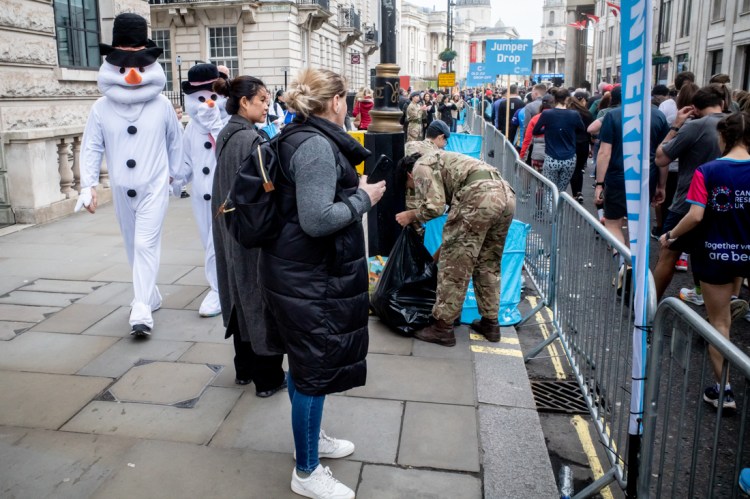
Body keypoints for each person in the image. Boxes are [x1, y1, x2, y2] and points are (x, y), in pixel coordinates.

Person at [259, 68, 386, 499]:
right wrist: (362, 199)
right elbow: (316, 221)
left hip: (297, 270)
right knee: (313, 371)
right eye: (346, 98)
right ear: (334, 102)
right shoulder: (314, 146)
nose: (348, 105)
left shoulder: (298, 134)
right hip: (311, 277)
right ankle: (307, 471)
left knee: (306, 363)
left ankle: (313, 439)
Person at [78, 13, 183, 337]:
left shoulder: (163, 105)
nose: (134, 75)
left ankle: (140, 310)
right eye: (125, 66)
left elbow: (175, 140)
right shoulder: (101, 108)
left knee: (144, 243)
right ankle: (150, 294)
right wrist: (88, 185)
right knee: (131, 246)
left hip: (154, 185)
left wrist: (176, 177)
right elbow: (91, 147)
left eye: (140, 64)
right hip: (123, 190)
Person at [659, 112, 750, 410]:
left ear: (724, 137)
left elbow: (695, 215)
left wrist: (670, 235)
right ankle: (737, 295)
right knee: (729, 309)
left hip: (716, 253)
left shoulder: (707, 171)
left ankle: (723, 391)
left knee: (719, 323)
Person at [211, 75, 288, 398]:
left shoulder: (228, 134)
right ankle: (268, 378)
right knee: (259, 299)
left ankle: (244, 369)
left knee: (239, 294)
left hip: (229, 229)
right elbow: (266, 189)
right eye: (262, 100)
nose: (267, 105)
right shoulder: (251, 140)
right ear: (244, 102)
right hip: (250, 231)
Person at [394, 150, 516, 346]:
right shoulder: (443, 160)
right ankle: (491, 324)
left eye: (411, 188)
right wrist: (434, 258)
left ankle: (442, 328)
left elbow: (435, 207)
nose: (415, 191)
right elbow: (456, 239)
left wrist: (411, 215)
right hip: (506, 195)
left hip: (479, 195)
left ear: (409, 175)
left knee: (455, 267)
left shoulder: (420, 167)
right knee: (488, 263)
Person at [654, 85, 726, 302]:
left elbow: (661, 158)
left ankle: (647, 308)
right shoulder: (737, 123)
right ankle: (719, 305)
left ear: (693, 108)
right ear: (721, 103)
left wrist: (676, 125)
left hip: (689, 201)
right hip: (725, 201)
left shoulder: (695, 126)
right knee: (713, 255)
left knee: (668, 254)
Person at [175, 63, 226, 318]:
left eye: (213, 97)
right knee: (207, 240)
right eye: (202, 98)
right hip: (200, 196)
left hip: (226, 197)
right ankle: (220, 286)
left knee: (216, 245)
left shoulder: (230, 123)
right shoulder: (192, 128)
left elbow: (228, 153)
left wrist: (215, 124)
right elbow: (186, 160)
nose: (208, 104)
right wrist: (175, 179)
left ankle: (218, 291)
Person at [532, 87, 585, 192]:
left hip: (551, 157)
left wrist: (547, 130)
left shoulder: (547, 114)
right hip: (569, 158)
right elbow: (582, 130)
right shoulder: (574, 114)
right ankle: (559, 208)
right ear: (567, 99)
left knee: (549, 190)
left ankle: (550, 208)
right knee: (562, 191)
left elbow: (535, 131)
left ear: (554, 99)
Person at [568, 90, 594, 203]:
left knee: (573, 169)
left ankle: (575, 193)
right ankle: (578, 191)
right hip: (584, 144)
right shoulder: (587, 113)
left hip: (572, 143)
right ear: (583, 100)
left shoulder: (570, 113)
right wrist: (591, 147)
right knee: (579, 168)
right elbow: (590, 131)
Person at [520, 94, 554, 171]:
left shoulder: (535, 118)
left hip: (538, 156)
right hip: (556, 157)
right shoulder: (560, 118)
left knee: (537, 180)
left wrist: (522, 156)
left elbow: (527, 140)